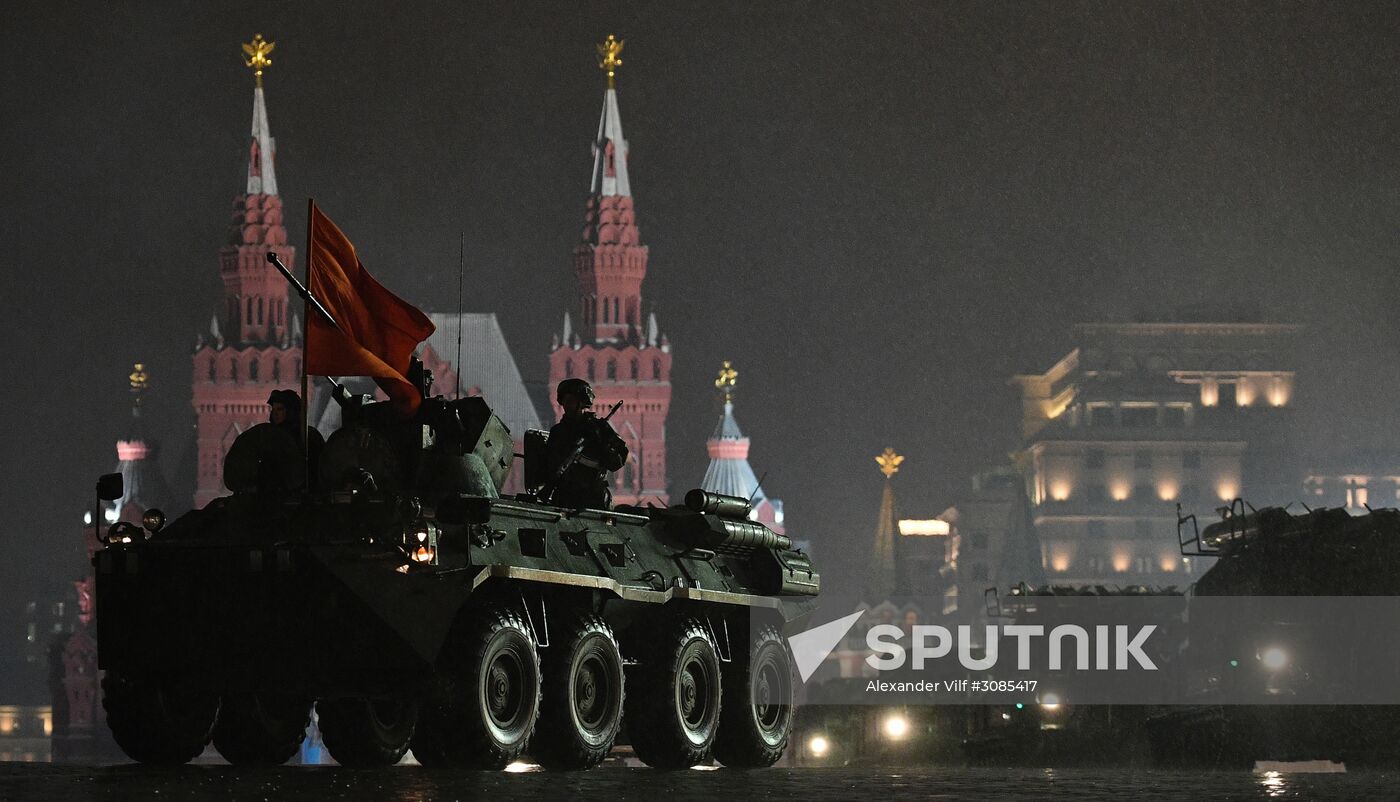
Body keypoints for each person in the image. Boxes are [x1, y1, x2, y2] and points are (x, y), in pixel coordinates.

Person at [545, 379, 628, 509]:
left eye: (571, 400)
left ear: (582, 402)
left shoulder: (599, 428)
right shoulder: (558, 431)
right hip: (564, 496)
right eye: (565, 400)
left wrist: (600, 445)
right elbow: (549, 463)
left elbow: (617, 462)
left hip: (593, 497)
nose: (567, 404)